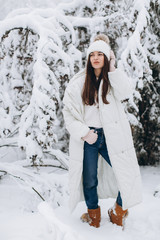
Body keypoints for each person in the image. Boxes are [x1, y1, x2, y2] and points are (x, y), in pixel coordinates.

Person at [63, 34, 142, 228]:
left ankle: (118, 211)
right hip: (88, 138)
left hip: (111, 136)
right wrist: (84, 132)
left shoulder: (112, 80)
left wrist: (113, 68)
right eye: (92, 54)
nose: (96, 58)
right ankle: (93, 214)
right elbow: (69, 114)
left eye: (101, 54)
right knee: (89, 180)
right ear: (89, 59)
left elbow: (125, 92)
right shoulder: (78, 83)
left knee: (127, 173)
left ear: (107, 58)